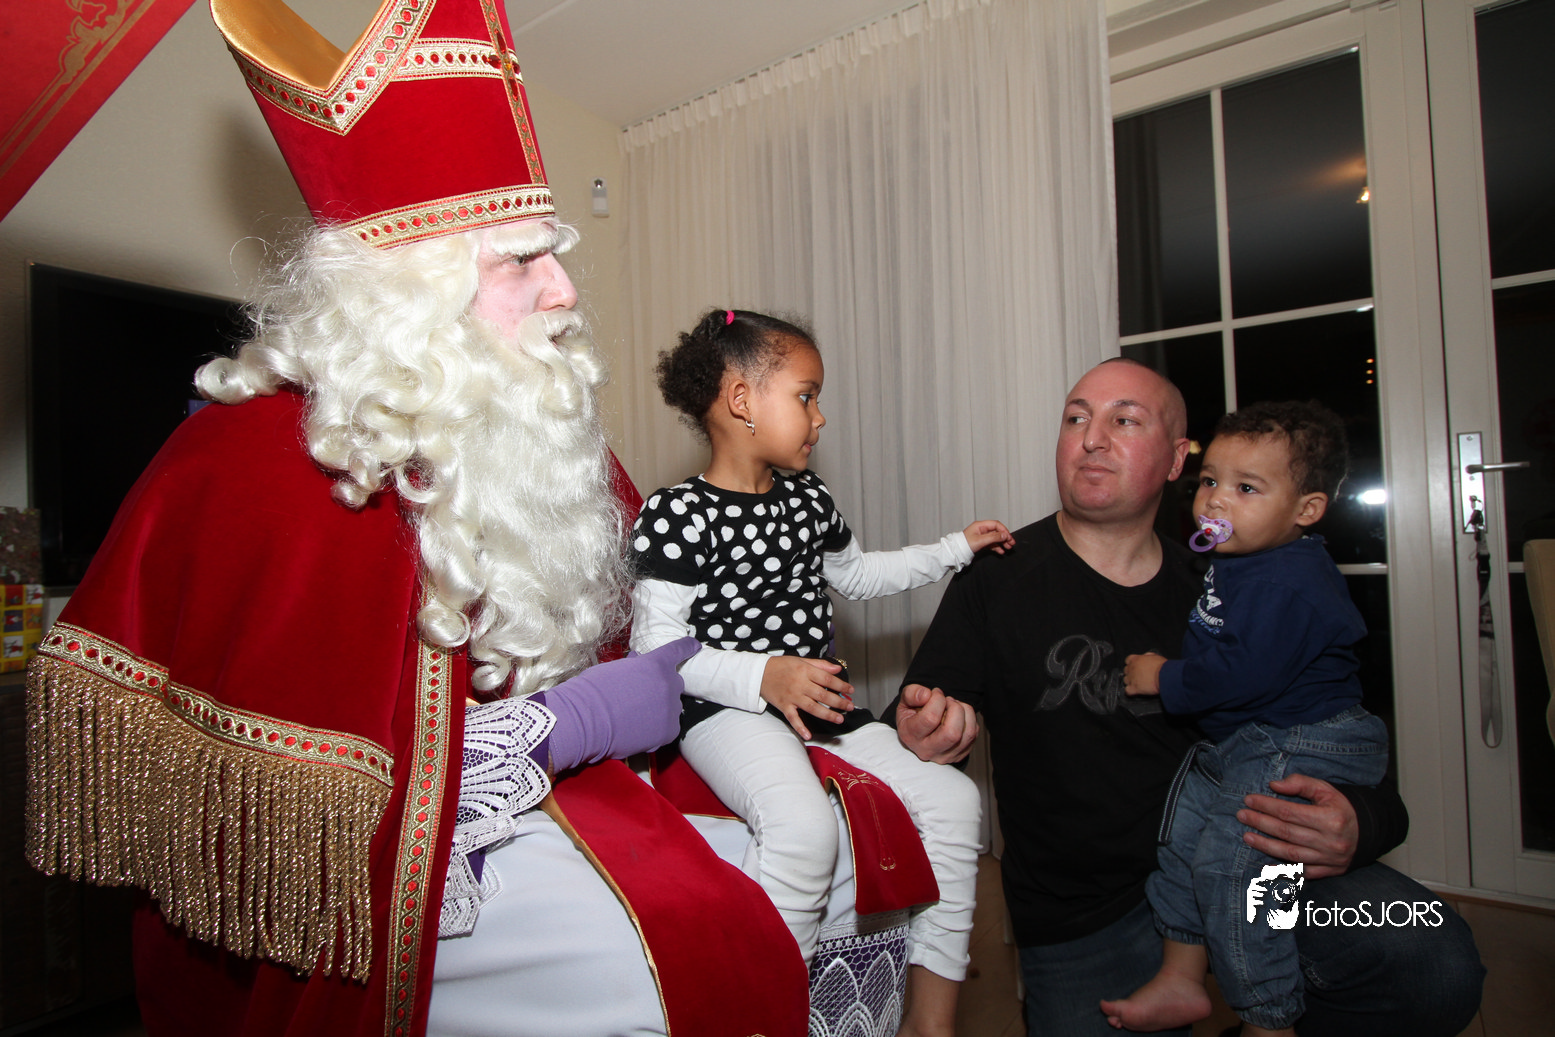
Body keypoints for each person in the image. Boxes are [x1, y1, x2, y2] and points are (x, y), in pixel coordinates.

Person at [24, 2, 809, 1036]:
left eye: (553, 254)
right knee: (666, 958)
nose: (564, 290)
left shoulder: (536, 426)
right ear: (409, 292)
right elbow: (286, 831)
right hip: (374, 900)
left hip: (559, 808)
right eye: (521, 261)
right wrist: (555, 727)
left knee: (776, 886)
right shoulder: (257, 460)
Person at [893, 358, 1484, 1036]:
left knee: (1434, 961)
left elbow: (1340, 735)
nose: (1091, 438)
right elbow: (913, 728)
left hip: (1265, 872)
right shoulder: (996, 578)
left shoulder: (1231, 583)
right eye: (1076, 418)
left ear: (1176, 459)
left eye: (1124, 421)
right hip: (1088, 912)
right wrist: (921, 732)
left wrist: (1362, 823)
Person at [629, 307, 1012, 1036]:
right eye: (805, 396)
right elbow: (657, 650)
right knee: (803, 829)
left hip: (822, 706)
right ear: (741, 400)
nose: (820, 416)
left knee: (955, 800)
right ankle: (761, 1016)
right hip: (723, 713)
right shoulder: (676, 514)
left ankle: (929, 1021)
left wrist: (952, 549)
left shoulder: (808, 498)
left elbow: (858, 575)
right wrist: (764, 676)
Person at [1099, 401, 1389, 1036]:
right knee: (1180, 840)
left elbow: (1241, 674)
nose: (1216, 500)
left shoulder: (1286, 580)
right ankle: (1182, 976)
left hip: (1305, 739)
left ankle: (1268, 1019)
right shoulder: (1243, 559)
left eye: (1247, 488)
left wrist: (1162, 676)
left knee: (1236, 872)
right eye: (1210, 480)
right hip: (1250, 739)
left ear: (1307, 509)